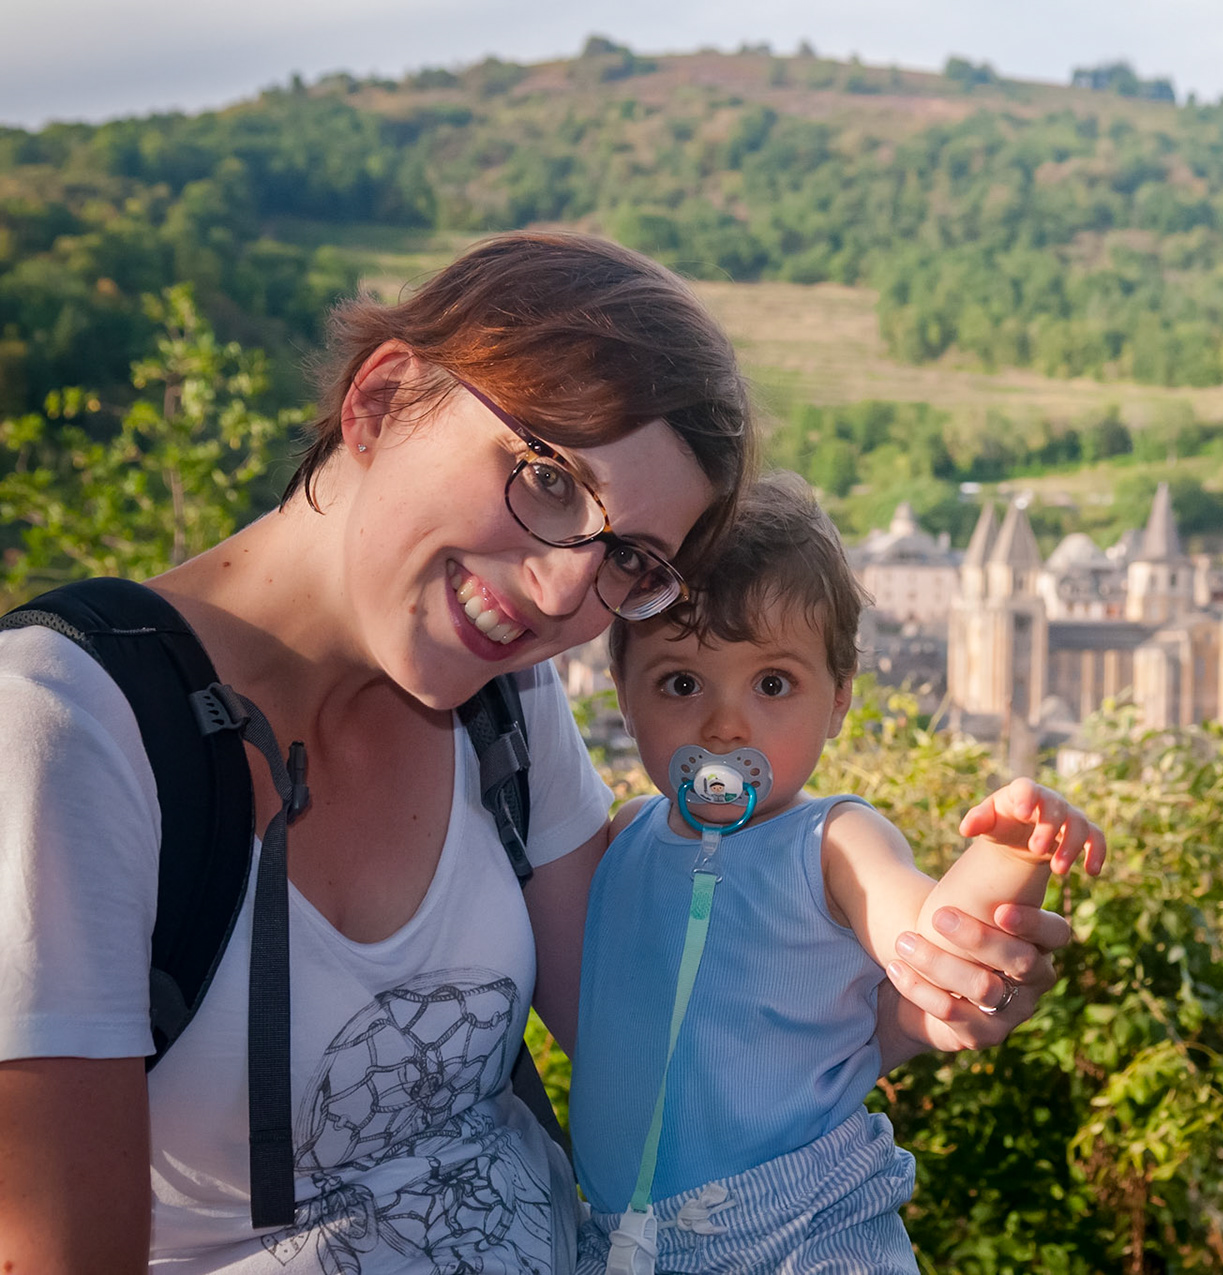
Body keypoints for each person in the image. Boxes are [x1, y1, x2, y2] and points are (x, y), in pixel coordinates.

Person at [0, 232, 1071, 1273]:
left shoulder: (502, 700)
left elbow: (663, 1026)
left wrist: (917, 994)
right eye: (548, 478)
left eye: (629, 558)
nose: (564, 593)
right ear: (380, 400)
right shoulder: (67, 731)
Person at [570, 474, 1105, 1275]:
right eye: (681, 683)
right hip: (625, 1243)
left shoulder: (832, 841)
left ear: (839, 698)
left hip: (804, 1228)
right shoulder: (623, 838)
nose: (725, 724)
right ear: (622, 692)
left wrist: (1009, 851)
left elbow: (932, 941)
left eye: (772, 683)